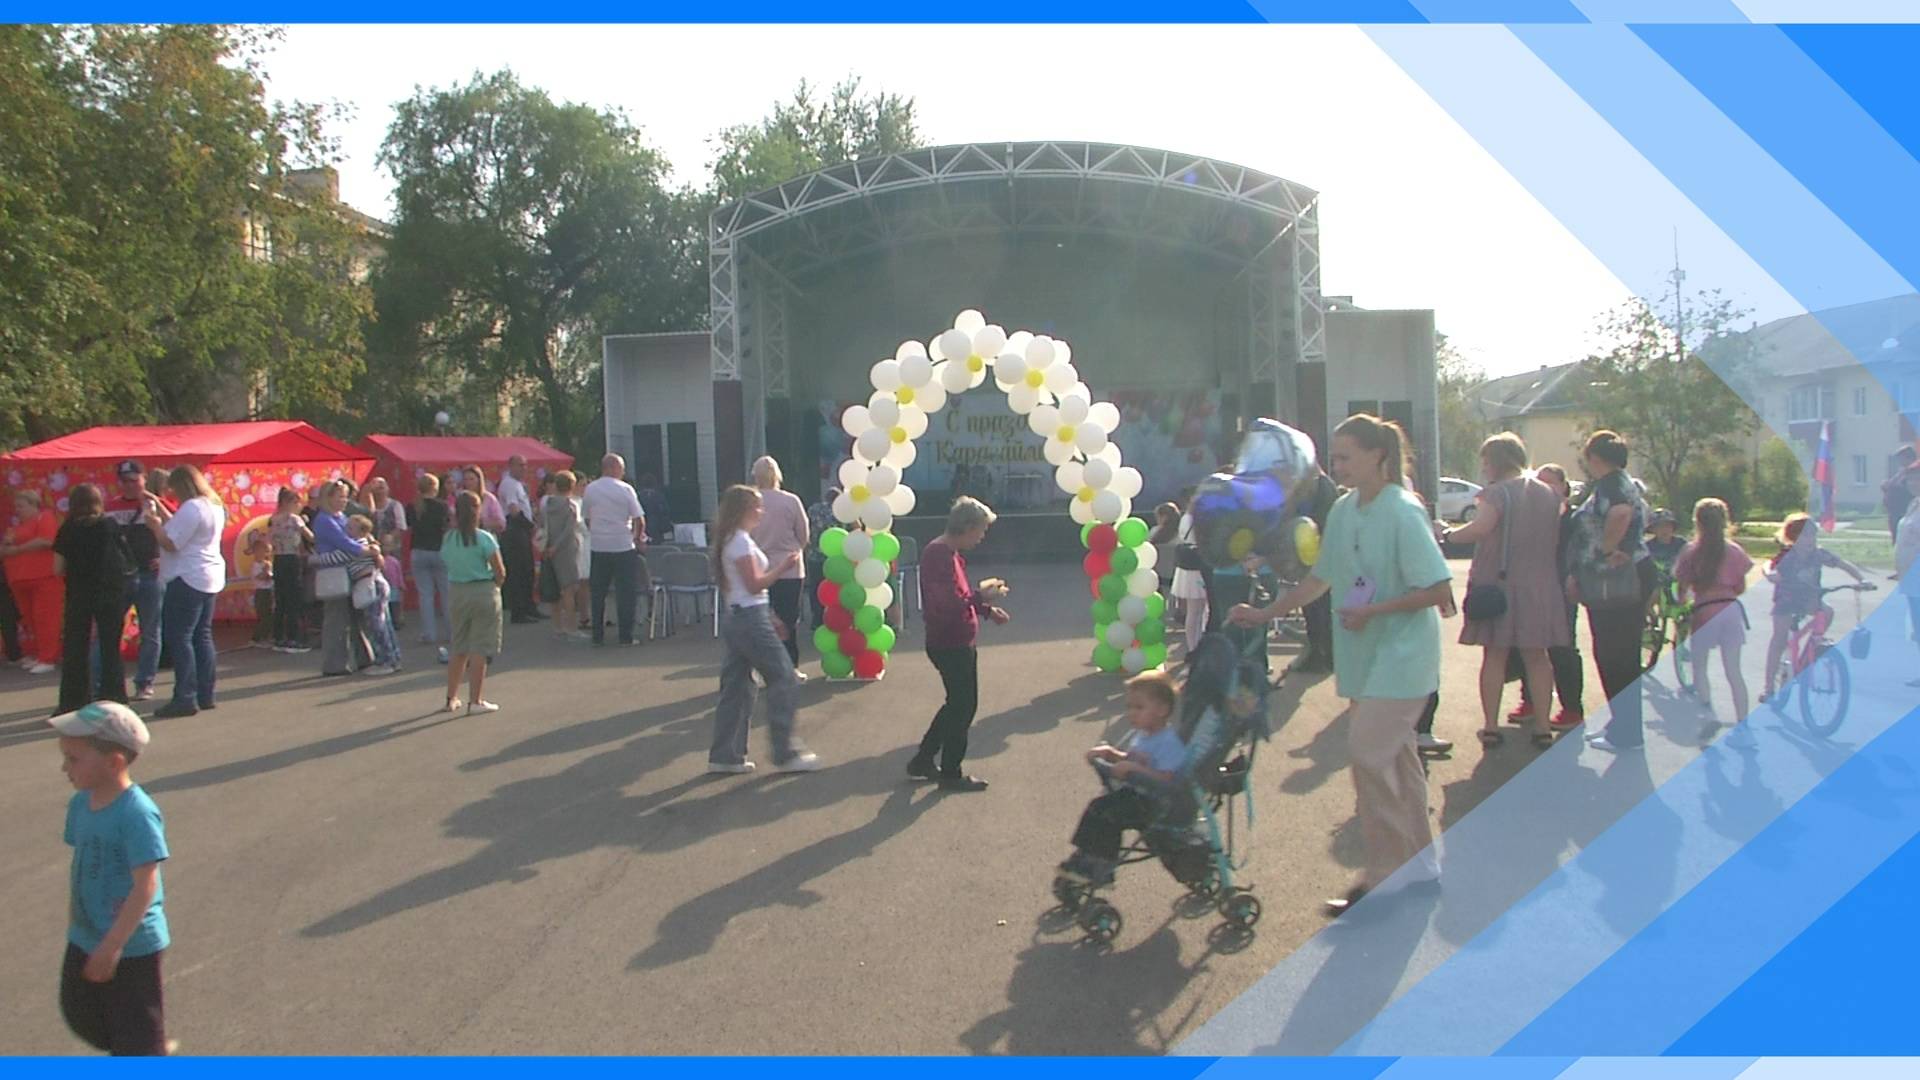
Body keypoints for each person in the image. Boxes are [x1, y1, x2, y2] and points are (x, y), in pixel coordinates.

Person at [1230, 414, 1451, 917]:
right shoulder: (1345, 509)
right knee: (1398, 762)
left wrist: (1374, 610)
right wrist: (1264, 614)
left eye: (1347, 455)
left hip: (1404, 659)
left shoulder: (1403, 511)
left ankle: (1385, 876)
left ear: (1378, 456)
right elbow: (1319, 580)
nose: (1338, 464)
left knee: (1369, 755)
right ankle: (1422, 868)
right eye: (1335, 456)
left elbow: (1438, 589)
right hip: (1365, 658)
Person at [51, 701, 171, 1056]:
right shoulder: (81, 804)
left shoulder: (136, 813)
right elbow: (83, 865)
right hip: (85, 934)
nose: (64, 767)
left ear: (114, 763)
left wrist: (113, 945)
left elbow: (145, 884)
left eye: (73, 759)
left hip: (130, 944)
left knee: (136, 1031)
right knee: (79, 1012)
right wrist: (77, 923)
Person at [1438, 433, 1569, 750]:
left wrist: (1448, 534)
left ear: (1497, 460)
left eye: (1485, 461)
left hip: (1501, 584)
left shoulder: (1497, 494)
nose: (1484, 468)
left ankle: (1491, 726)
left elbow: (1481, 528)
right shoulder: (1550, 494)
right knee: (1537, 656)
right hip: (1541, 584)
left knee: (1495, 654)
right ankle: (1542, 726)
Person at [704, 484, 821, 775]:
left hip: (740, 615)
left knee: (737, 687)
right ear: (743, 509)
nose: (761, 512)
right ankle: (785, 752)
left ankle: (726, 755)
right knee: (783, 677)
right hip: (749, 618)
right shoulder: (740, 542)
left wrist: (768, 614)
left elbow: (743, 590)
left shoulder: (731, 540)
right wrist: (784, 567)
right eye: (757, 507)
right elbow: (755, 584)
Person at [909, 497, 1010, 793]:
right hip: (950, 642)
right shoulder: (939, 554)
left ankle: (924, 759)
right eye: (980, 530)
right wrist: (982, 597)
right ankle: (950, 772)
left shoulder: (946, 552)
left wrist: (986, 609)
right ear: (967, 526)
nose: (982, 536)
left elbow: (958, 597)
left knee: (956, 704)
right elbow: (948, 603)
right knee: (963, 707)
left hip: (954, 640)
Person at [1056, 669, 1186, 885]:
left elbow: (1167, 778)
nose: (1131, 713)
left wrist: (1133, 769)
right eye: (1129, 707)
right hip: (1135, 794)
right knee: (1097, 807)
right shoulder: (1144, 735)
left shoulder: (1168, 742)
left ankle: (1102, 865)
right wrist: (1111, 754)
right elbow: (1133, 759)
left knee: (1110, 815)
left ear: (1162, 710)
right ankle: (1087, 854)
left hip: (1153, 802)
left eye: (1139, 707)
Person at [1567, 431, 1652, 754]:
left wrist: (1606, 549)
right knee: (1617, 654)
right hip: (1620, 576)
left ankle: (1627, 734)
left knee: (1616, 656)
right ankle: (1622, 724)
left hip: (1616, 579)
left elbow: (1620, 513)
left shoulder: (1612, 484)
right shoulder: (1620, 482)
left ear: (1595, 457)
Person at [1761, 512, 1869, 703]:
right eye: (1804, 536)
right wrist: (1770, 574)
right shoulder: (1788, 556)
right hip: (1787, 600)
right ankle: (1769, 688)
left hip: (1809, 599)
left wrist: (1862, 579)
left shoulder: (1818, 554)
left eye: (1813, 535)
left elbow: (1842, 564)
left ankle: (1811, 650)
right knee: (1779, 639)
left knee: (1827, 612)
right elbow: (1769, 565)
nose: (1810, 540)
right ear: (1793, 538)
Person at [1673, 498, 1755, 743]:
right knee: (1734, 672)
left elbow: (1682, 588)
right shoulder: (1734, 550)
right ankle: (1744, 727)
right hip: (1730, 609)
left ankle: (1708, 712)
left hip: (1705, 610)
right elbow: (1740, 586)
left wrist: (1683, 603)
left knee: (1699, 667)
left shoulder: (1691, 551)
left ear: (1697, 522)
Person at [145, 466, 225, 719]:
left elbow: (171, 542)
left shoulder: (191, 507)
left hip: (186, 576)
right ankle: (205, 693)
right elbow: (180, 526)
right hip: (208, 574)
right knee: (202, 635)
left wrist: (155, 526)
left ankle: (185, 696)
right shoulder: (213, 506)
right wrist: (163, 510)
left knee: (180, 637)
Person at [1511, 463, 1585, 731]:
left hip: (1562, 587)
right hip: (1531, 586)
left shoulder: (1573, 519)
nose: (1546, 489)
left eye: (1552, 483)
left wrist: (1574, 577)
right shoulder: (1527, 517)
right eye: (1540, 483)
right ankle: (1531, 702)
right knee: (1529, 645)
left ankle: (1572, 709)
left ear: (1564, 487)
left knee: (1562, 647)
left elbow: (1580, 551)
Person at [52, 484, 134, 714]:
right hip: (110, 592)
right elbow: (126, 558)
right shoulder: (109, 525)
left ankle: (73, 700)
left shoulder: (68, 528)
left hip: (79, 592)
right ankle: (114, 696)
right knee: (110, 646)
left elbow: (57, 568)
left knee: (75, 646)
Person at [104, 462, 166, 699]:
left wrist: (164, 557)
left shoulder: (156, 504)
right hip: (120, 577)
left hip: (150, 575)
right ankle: (104, 684)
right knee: (109, 630)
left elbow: (178, 531)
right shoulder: (109, 507)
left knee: (150, 631)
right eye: (124, 481)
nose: (129, 485)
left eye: (134, 480)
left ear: (144, 479)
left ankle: (144, 683)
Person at [444, 490, 506, 715]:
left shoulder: (449, 538)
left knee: (459, 646)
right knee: (480, 647)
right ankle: (475, 700)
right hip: (482, 590)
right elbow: (500, 571)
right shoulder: (484, 538)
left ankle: (451, 698)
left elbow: (447, 561)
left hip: (458, 591)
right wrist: (496, 585)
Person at [749, 456, 811, 675]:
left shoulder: (750, 502)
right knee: (788, 620)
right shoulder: (791, 501)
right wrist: (794, 549)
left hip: (758, 568)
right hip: (790, 568)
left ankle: (762, 669)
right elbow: (803, 535)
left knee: (761, 621)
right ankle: (790, 667)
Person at [582, 453, 650, 647]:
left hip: (599, 546)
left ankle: (597, 636)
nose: (623, 472)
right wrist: (637, 537)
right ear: (614, 468)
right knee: (625, 593)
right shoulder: (625, 489)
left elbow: (586, 517)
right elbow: (639, 518)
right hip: (622, 545)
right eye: (622, 468)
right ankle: (625, 636)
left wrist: (596, 531)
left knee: (598, 593)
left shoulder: (590, 489)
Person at [310, 481, 375, 678]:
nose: (344, 500)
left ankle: (364, 658)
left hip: (349, 571)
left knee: (355, 617)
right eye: (340, 496)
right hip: (334, 573)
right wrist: (365, 550)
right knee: (336, 619)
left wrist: (369, 543)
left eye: (345, 496)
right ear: (328, 497)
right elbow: (344, 543)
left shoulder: (341, 517)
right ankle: (334, 664)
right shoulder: (324, 520)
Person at [3, 488, 64, 675]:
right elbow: (5, 549)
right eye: (16, 507)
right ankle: (40, 654)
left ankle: (48, 658)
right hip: (20, 580)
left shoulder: (44, 518)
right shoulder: (15, 528)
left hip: (44, 578)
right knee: (31, 620)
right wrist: (7, 545)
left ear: (33, 505)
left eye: (21, 506)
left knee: (45, 618)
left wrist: (17, 549)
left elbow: (46, 541)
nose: (17, 510)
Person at [1294, 464, 1341, 676]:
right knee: (1313, 609)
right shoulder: (1313, 486)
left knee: (1320, 609)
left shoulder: (1323, 488)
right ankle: (1320, 653)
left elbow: (1321, 524)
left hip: (1318, 557)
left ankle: (1323, 655)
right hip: (1310, 557)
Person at [345, 516, 400, 675]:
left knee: (377, 625)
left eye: (351, 528)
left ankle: (385, 661)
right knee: (384, 624)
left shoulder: (358, 546)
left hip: (370, 584)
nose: (346, 530)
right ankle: (393, 658)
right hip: (375, 583)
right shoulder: (366, 545)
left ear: (362, 531)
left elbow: (338, 557)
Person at [542, 471, 591, 642]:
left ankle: (558, 627)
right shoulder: (571, 504)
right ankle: (572, 627)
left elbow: (543, 524)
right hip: (568, 549)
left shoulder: (547, 503)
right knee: (569, 589)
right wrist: (557, 545)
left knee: (554, 589)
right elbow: (570, 528)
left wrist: (549, 545)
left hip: (548, 547)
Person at [411, 474, 452, 663]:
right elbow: (445, 527)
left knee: (425, 595)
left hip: (418, 551)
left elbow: (410, 526)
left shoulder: (413, 506)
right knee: (446, 593)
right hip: (439, 550)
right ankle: (451, 632)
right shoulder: (442, 506)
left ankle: (429, 633)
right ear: (435, 487)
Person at [496, 455, 541, 624]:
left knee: (527, 570)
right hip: (514, 530)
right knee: (518, 571)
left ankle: (529, 606)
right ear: (511, 466)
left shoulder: (518, 484)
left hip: (522, 530)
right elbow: (513, 509)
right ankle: (518, 611)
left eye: (525, 465)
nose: (524, 468)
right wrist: (529, 525)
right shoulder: (508, 484)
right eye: (520, 465)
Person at [267, 489, 313, 654]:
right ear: (289, 503)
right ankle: (294, 637)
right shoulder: (294, 519)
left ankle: (278, 636)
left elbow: (270, 539)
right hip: (292, 559)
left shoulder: (273, 519)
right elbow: (310, 536)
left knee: (281, 599)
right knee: (294, 598)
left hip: (278, 559)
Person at [365, 478, 408, 632]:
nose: (381, 488)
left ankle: (398, 614)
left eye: (383, 485)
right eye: (377, 486)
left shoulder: (395, 505)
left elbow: (401, 526)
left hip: (392, 548)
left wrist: (389, 537)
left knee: (395, 581)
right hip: (373, 548)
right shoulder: (369, 507)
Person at [1893, 463, 1920, 688]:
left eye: (1917, 478)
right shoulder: (1914, 504)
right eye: (1909, 479)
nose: (1912, 483)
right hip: (1911, 577)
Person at [1171, 502, 1209, 654]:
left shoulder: (1186, 518)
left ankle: (1194, 646)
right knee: (1196, 611)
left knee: (1196, 611)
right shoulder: (1197, 519)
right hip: (1196, 567)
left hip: (1188, 567)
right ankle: (1194, 647)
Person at [805, 486, 841, 631]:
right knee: (835, 589)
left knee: (815, 588)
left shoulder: (813, 510)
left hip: (814, 555)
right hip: (834, 558)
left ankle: (817, 619)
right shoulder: (839, 512)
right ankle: (834, 619)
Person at [458, 466, 506, 535]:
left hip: (485, 535)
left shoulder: (489, 498)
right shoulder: (460, 498)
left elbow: (501, 523)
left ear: (479, 480)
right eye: (465, 479)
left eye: (471, 479)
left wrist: (480, 523)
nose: (468, 482)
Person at [246, 533, 274, 645]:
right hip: (261, 592)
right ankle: (256, 638)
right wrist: (265, 571)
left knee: (269, 615)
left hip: (268, 591)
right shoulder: (255, 565)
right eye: (261, 551)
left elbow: (271, 577)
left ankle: (266, 636)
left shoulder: (268, 564)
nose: (264, 554)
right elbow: (259, 577)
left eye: (266, 551)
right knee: (263, 616)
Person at [636, 472, 675, 544]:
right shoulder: (659, 496)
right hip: (657, 527)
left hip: (642, 526)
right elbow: (665, 511)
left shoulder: (638, 496)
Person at [1645, 509, 1686, 574]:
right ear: (1652, 529)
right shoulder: (1647, 547)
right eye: (1659, 526)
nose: (1664, 529)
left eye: (1667, 525)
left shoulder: (1682, 544)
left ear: (1673, 527)